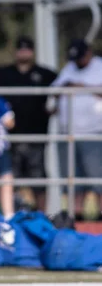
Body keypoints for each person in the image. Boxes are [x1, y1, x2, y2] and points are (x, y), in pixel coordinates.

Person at [0, 36, 56, 211]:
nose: (23, 53)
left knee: (38, 178)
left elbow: (60, 89)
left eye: (27, 49)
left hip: (37, 135)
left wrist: (55, 108)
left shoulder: (45, 74)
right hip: (10, 138)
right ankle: (12, 217)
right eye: (20, 49)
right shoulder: (4, 74)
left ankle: (43, 216)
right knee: (10, 179)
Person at [51, 39, 102, 221]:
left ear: (88, 53)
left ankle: (98, 220)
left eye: (80, 58)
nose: (78, 62)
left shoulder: (99, 67)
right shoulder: (69, 68)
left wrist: (81, 87)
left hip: (93, 134)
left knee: (97, 180)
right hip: (68, 134)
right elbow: (53, 91)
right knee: (72, 182)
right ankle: (78, 218)